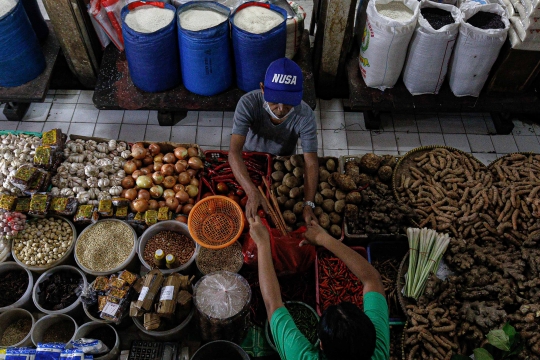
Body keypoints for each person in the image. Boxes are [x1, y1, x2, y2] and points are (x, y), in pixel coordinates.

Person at [248, 215, 390, 360]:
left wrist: (263, 244)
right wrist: (324, 238)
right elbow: (372, 279)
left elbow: (273, 304)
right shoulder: (378, 353)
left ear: (321, 345)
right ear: (372, 338)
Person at [229, 57, 319, 224]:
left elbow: (311, 161)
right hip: (250, 158)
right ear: (263, 89)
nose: (281, 108)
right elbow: (234, 152)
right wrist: (252, 191)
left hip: (281, 161)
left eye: (288, 103)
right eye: (274, 100)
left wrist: (308, 204)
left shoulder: (305, 115)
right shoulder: (248, 103)